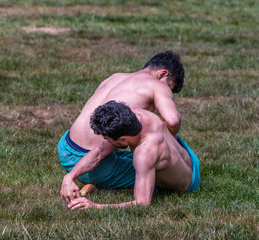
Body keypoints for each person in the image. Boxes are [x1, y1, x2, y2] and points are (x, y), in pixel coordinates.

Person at [58, 51, 185, 203]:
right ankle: (105, 184)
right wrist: (171, 141)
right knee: (166, 172)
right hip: (93, 161)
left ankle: (103, 181)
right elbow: (172, 121)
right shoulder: (157, 85)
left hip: (66, 148)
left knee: (139, 155)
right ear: (163, 74)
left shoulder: (115, 76)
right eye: (169, 87)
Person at [67, 101, 200, 209]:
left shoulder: (144, 154)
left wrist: (95, 206)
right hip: (191, 160)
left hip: (187, 185)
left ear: (124, 139)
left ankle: (106, 189)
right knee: (119, 158)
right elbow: (100, 152)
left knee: (130, 170)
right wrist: (70, 177)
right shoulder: (138, 115)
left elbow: (142, 204)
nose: (106, 141)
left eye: (108, 139)